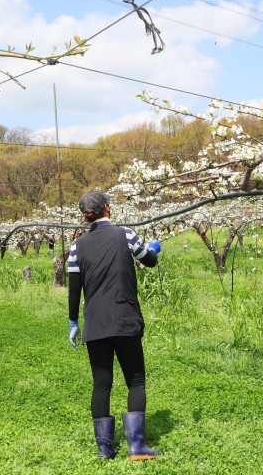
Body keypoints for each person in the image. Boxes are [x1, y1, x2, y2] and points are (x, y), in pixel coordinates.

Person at [67, 190, 162, 461]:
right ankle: (137, 447)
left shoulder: (77, 246)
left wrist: (74, 321)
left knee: (101, 384)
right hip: (125, 320)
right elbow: (149, 261)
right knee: (135, 380)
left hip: (94, 325)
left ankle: (105, 449)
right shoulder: (126, 235)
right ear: (107, 208)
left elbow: (74, 290)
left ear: (86, 216)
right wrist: (154, 248)